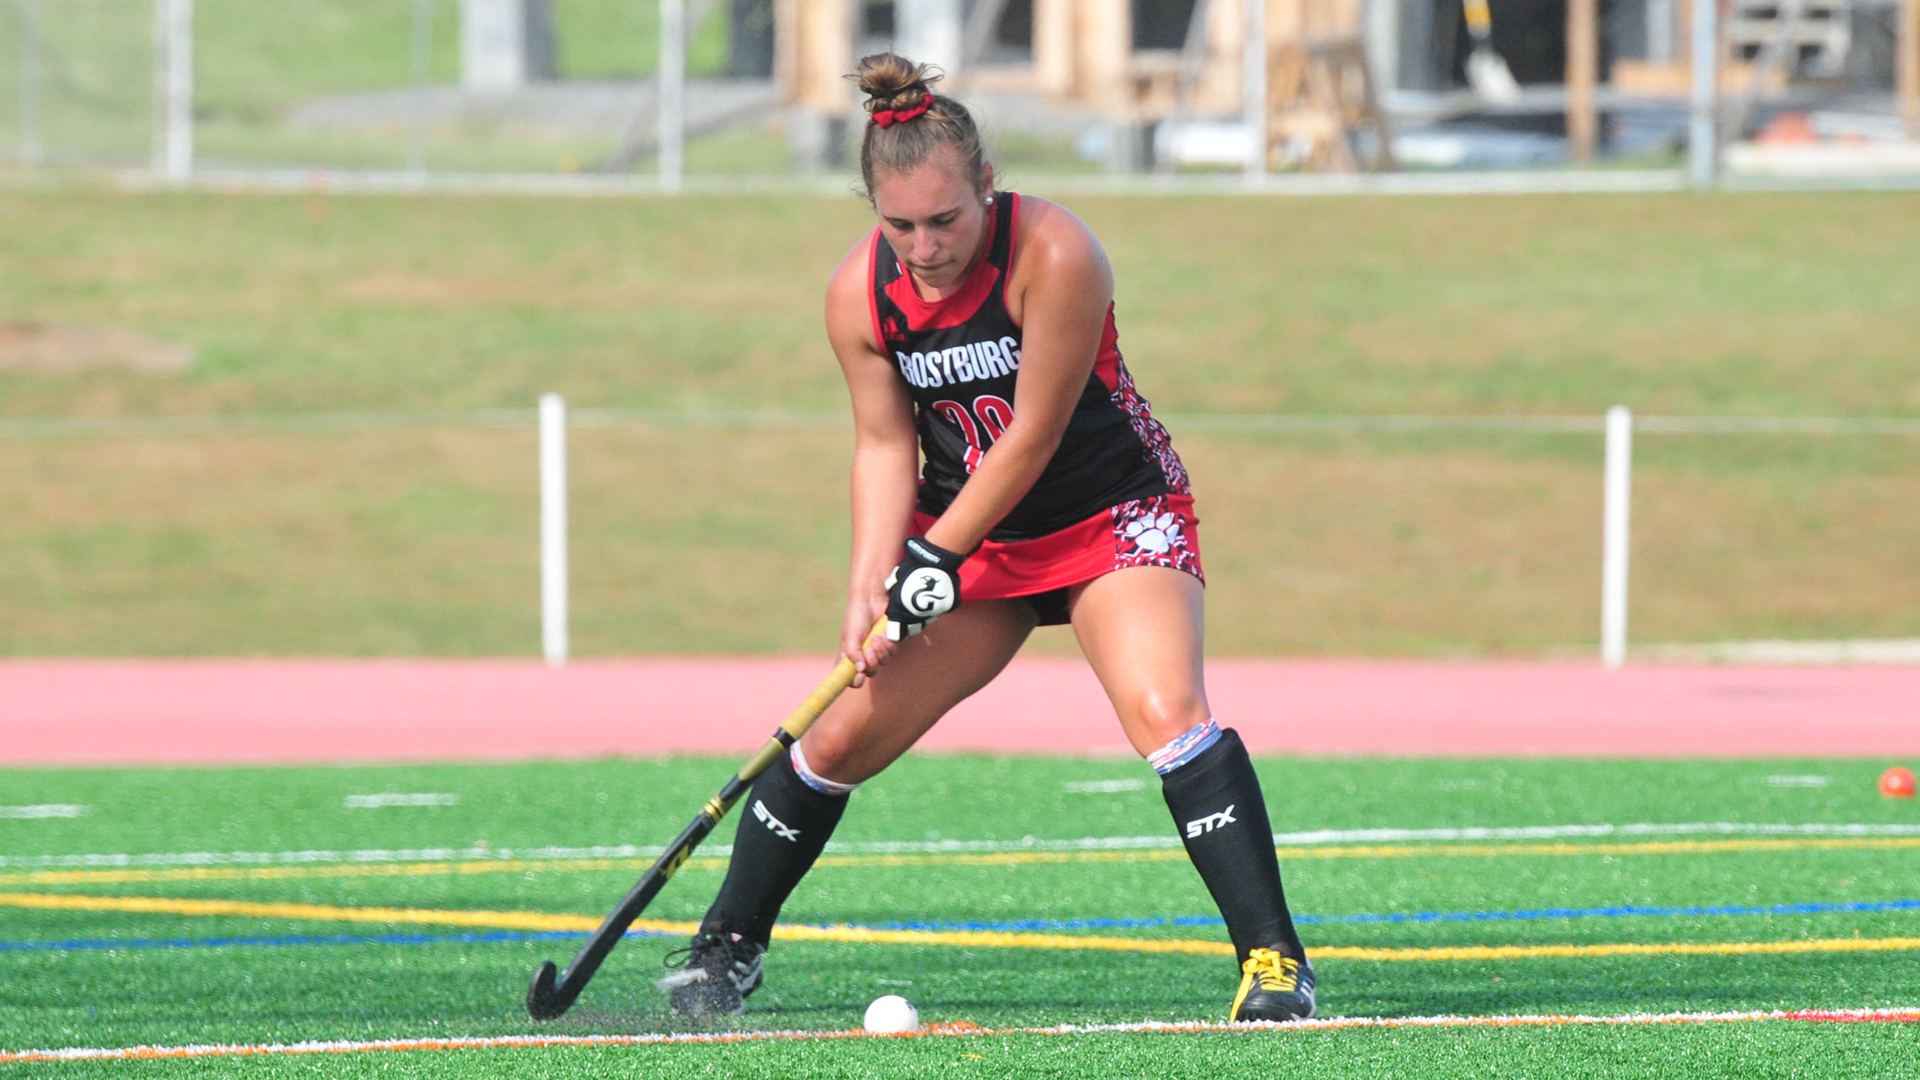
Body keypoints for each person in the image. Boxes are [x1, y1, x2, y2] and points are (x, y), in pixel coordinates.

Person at [656, 53, 1314, 1024]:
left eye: (946, 220)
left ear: (987, 189)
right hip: (977, 554)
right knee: (835, 737)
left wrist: (933, 557)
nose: (925, 248)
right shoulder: (859, 293)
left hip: (1109, 518)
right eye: (901, 225)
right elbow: (883, 446)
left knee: (1167, 707)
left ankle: (1274, 965)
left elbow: (1034, 432)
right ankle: (726, 951)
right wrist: (868, 585)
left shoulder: (1056, 253)